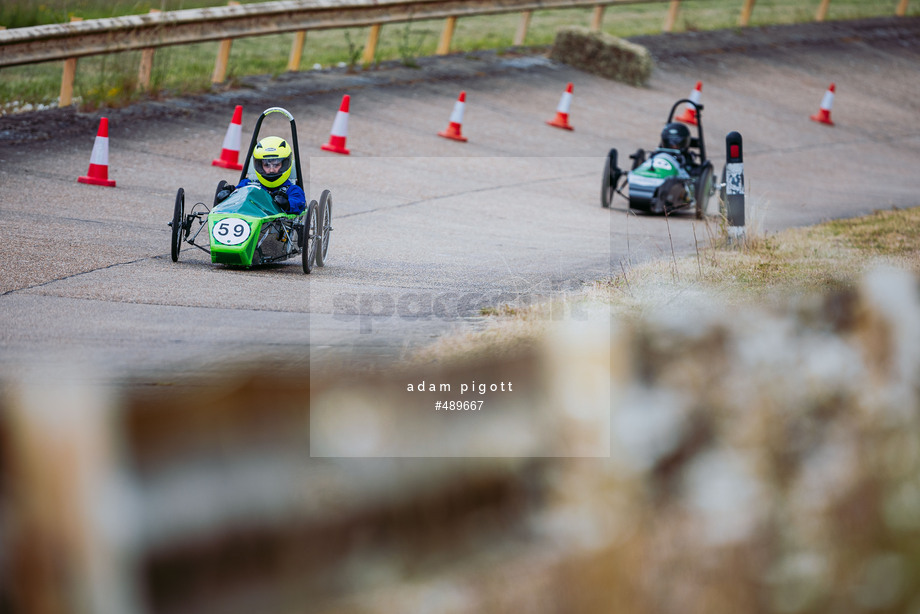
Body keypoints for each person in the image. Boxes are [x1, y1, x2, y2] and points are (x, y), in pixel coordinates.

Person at [216, 136, 306, 214]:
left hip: (276, 230)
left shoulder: (292, 189)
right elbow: (236, 201)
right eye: (266, 165)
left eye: (276, 165)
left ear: (285, 165)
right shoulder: (247, 184)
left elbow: (299, 204)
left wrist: (286, 204)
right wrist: (228, 195)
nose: (271, 170)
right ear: (259, 166)